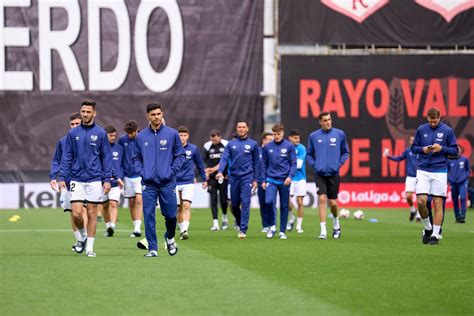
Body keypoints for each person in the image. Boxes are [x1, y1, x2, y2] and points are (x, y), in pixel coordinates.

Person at [58, 100, 113, 257]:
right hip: (76, 178)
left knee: (91, 212)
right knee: (76, 213)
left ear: (94, 113)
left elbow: (106, 157)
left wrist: (107, 179)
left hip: (95, 179)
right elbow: (67, 156)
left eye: (88, 112)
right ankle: (82, 237)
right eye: (83, 111)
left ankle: (90, 248)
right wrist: (62, 176)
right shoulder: (73, 133)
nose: (85, 114)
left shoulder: (101, 133)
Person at [133, 103, 185, 257]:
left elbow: (180, 155)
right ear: (147, 116)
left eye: (158, 114)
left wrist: (171, 172)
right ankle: (153, 249)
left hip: (167, 182)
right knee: (148, 215)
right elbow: (136, 157)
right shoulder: (141, 136)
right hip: (148, 184)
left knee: (170, 216)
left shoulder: (172, 134)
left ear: (162, 114)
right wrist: (143, 172)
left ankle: (169, 238)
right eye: (153, 114)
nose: (156, 117)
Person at [411, 107, 458, 245]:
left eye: (435, 121)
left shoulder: (448, 131)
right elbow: (414, 148)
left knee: (438, 202)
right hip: (423, 169)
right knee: (421, 202)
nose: (432, 124)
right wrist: (423, 149)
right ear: (427, 118)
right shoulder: (421, 129)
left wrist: (442, 148)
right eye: (430, 121)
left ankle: (435, 235)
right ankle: (428, 228)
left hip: (440, 170)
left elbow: (455, 150)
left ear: (439, 118)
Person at [307, 111, 350, 240]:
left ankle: (336, 223)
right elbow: (309, 154)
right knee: (321, 199)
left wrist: (338, 164)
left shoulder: (339, 134)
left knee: (332, 202)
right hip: (319, 173)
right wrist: (315, 165)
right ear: (320, 122)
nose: (328, 122)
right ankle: (323, 230)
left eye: (329, 119)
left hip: (333, 173)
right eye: (325, 120)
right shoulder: (313, 136)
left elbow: (345, 152)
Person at [49, 112, 88, 251]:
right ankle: (79, 240)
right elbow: (57, 160)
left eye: (77, 123)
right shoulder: (63, 141)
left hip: (85, 180)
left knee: (82, 209)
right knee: (73, 212)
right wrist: (54, 177)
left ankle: (86, 239)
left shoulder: (90, 138)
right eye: (72, 124)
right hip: (67, 181)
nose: (74, 126)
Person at [216, 121, 260, 239]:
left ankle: (243, 229)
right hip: (234, 178)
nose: (241, 129)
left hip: (247, 178)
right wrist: (220, 171)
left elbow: (256, 163)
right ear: (237, 129)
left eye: (243, 127)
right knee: (234, 205)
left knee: (245, 203)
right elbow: (224, 158)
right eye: (239, 127)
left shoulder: (253, 144)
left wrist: (256, 179)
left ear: (247, 129)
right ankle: (240, 223)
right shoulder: (231, 144)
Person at [261, 123, 296, 240]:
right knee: (268, 202)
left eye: (278, 134)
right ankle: (272, 226)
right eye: (274, 134)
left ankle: (282, 231)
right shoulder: (267, 147)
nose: (276, 136)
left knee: (284, 206)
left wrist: (290, 177)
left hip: (285, 180)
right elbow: (264, 164)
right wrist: (264, 180)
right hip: (271, 179)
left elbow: (293, 164)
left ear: (283, 133)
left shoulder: (289, 146)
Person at [175, 126, 207, 240]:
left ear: (188, 136)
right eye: (180, 135)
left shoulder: (193, 149)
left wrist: (204, 179)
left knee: (187, 205)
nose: (182, 137)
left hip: (188, 181)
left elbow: (200, 165)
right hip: (174, 182)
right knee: (179, 208)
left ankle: (184, 230)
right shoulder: (172, 148)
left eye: (184, 135)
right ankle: (181, 228)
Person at [383, 136, 421, 222]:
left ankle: (419, 215)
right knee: (408, 196)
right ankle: (412, 209)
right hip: (410, 176)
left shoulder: (421, 151)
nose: (412, 142)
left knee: (420, 197)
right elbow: (399, 158)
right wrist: (389, 156)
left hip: (421, 176)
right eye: (411, 140)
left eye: (414, 140)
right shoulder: (408, 151)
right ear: (409, 142)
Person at [118, 120, 143, 238]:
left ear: (136, 130)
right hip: (127, 176)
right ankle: (135, 227)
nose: (129, 135)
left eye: (131, 133)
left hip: (140, 175)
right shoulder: (122, 140)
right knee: (132, 202)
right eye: (127, 133)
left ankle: (138, 228)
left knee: (139, 200)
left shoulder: (143, 138)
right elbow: (119, 157)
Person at [202, 129, 229, 231]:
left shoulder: (226, 144)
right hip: (212, 177)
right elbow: (203, 161)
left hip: (223, 176)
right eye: (212, 140)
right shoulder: (207, 146)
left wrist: (215, 169)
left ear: (220, 137)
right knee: (213, 199)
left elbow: (226, 160)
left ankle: (225, 217)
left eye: (215, 140)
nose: (214, 142)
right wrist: (206, 172)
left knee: (223, 200)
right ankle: (215, 223)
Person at [101, 125, 124, 237]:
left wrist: (120, 176)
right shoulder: (99, 148)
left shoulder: (119, 148)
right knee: (104, 205)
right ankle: (107, 226)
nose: (113, 137)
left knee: (113, 204)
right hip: (102, 182)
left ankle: (112, 227)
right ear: (105, 135)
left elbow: (123, 165)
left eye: (114, 135)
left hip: (115, 182)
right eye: (110, 135)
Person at [287, 129, 307, 233]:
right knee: (286, 201)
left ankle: (299, 226)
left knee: (300, 202)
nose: (298, 140)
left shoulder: (302, 148)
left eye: (298, 138)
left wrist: (286, 164)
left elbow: (298, 165)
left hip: (300, 178)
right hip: (288, 178)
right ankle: (291, 217)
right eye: (295, 138)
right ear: (289, 138)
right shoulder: (285, 147)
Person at [257, 132, 275, 233]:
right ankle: (265, 225)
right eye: (269, 140)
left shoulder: (272, 152)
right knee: (263, 203)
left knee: (271, 203)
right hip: (260, 181)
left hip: (271, 180)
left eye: (272, 140)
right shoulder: (258, 151)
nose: (271, 142)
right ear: (263, 140)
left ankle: (273, 224)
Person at [448, 145, 471, 223]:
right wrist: (449, 179)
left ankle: (463, 216)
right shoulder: (449, 160)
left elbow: (468, 170)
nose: (457, 150)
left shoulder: (465, 159)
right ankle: (457, 216)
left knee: (463, 198)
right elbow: (447, 171)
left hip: (462, 182)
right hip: (453, 183)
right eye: (455, 149)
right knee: (455, 200)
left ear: (461, 150)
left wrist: (464, 177)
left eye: (458, 149)